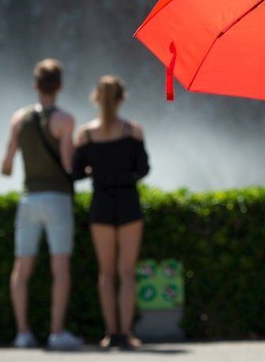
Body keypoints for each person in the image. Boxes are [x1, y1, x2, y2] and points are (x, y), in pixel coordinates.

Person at [0, 58, 82, 350]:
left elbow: (6, 166)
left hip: (29, 198)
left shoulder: (18, 119)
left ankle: (23, 332)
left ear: (35, 85)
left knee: (22, 268)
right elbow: (69, 164)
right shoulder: (65, 120)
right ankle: (56, 333)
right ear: (59, 86)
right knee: (60, 268)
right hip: (57, 198)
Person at [72, 75, 150, 350]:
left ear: (97, 98)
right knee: (126, 273)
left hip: (101, 203)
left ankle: (110, 334)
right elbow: (143, 170)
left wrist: (97, 169)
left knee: (106, 273)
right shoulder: (133, 131)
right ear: (121, 98)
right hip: (128, 201)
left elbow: (76, 171)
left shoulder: (86, 134)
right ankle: (127, 333)